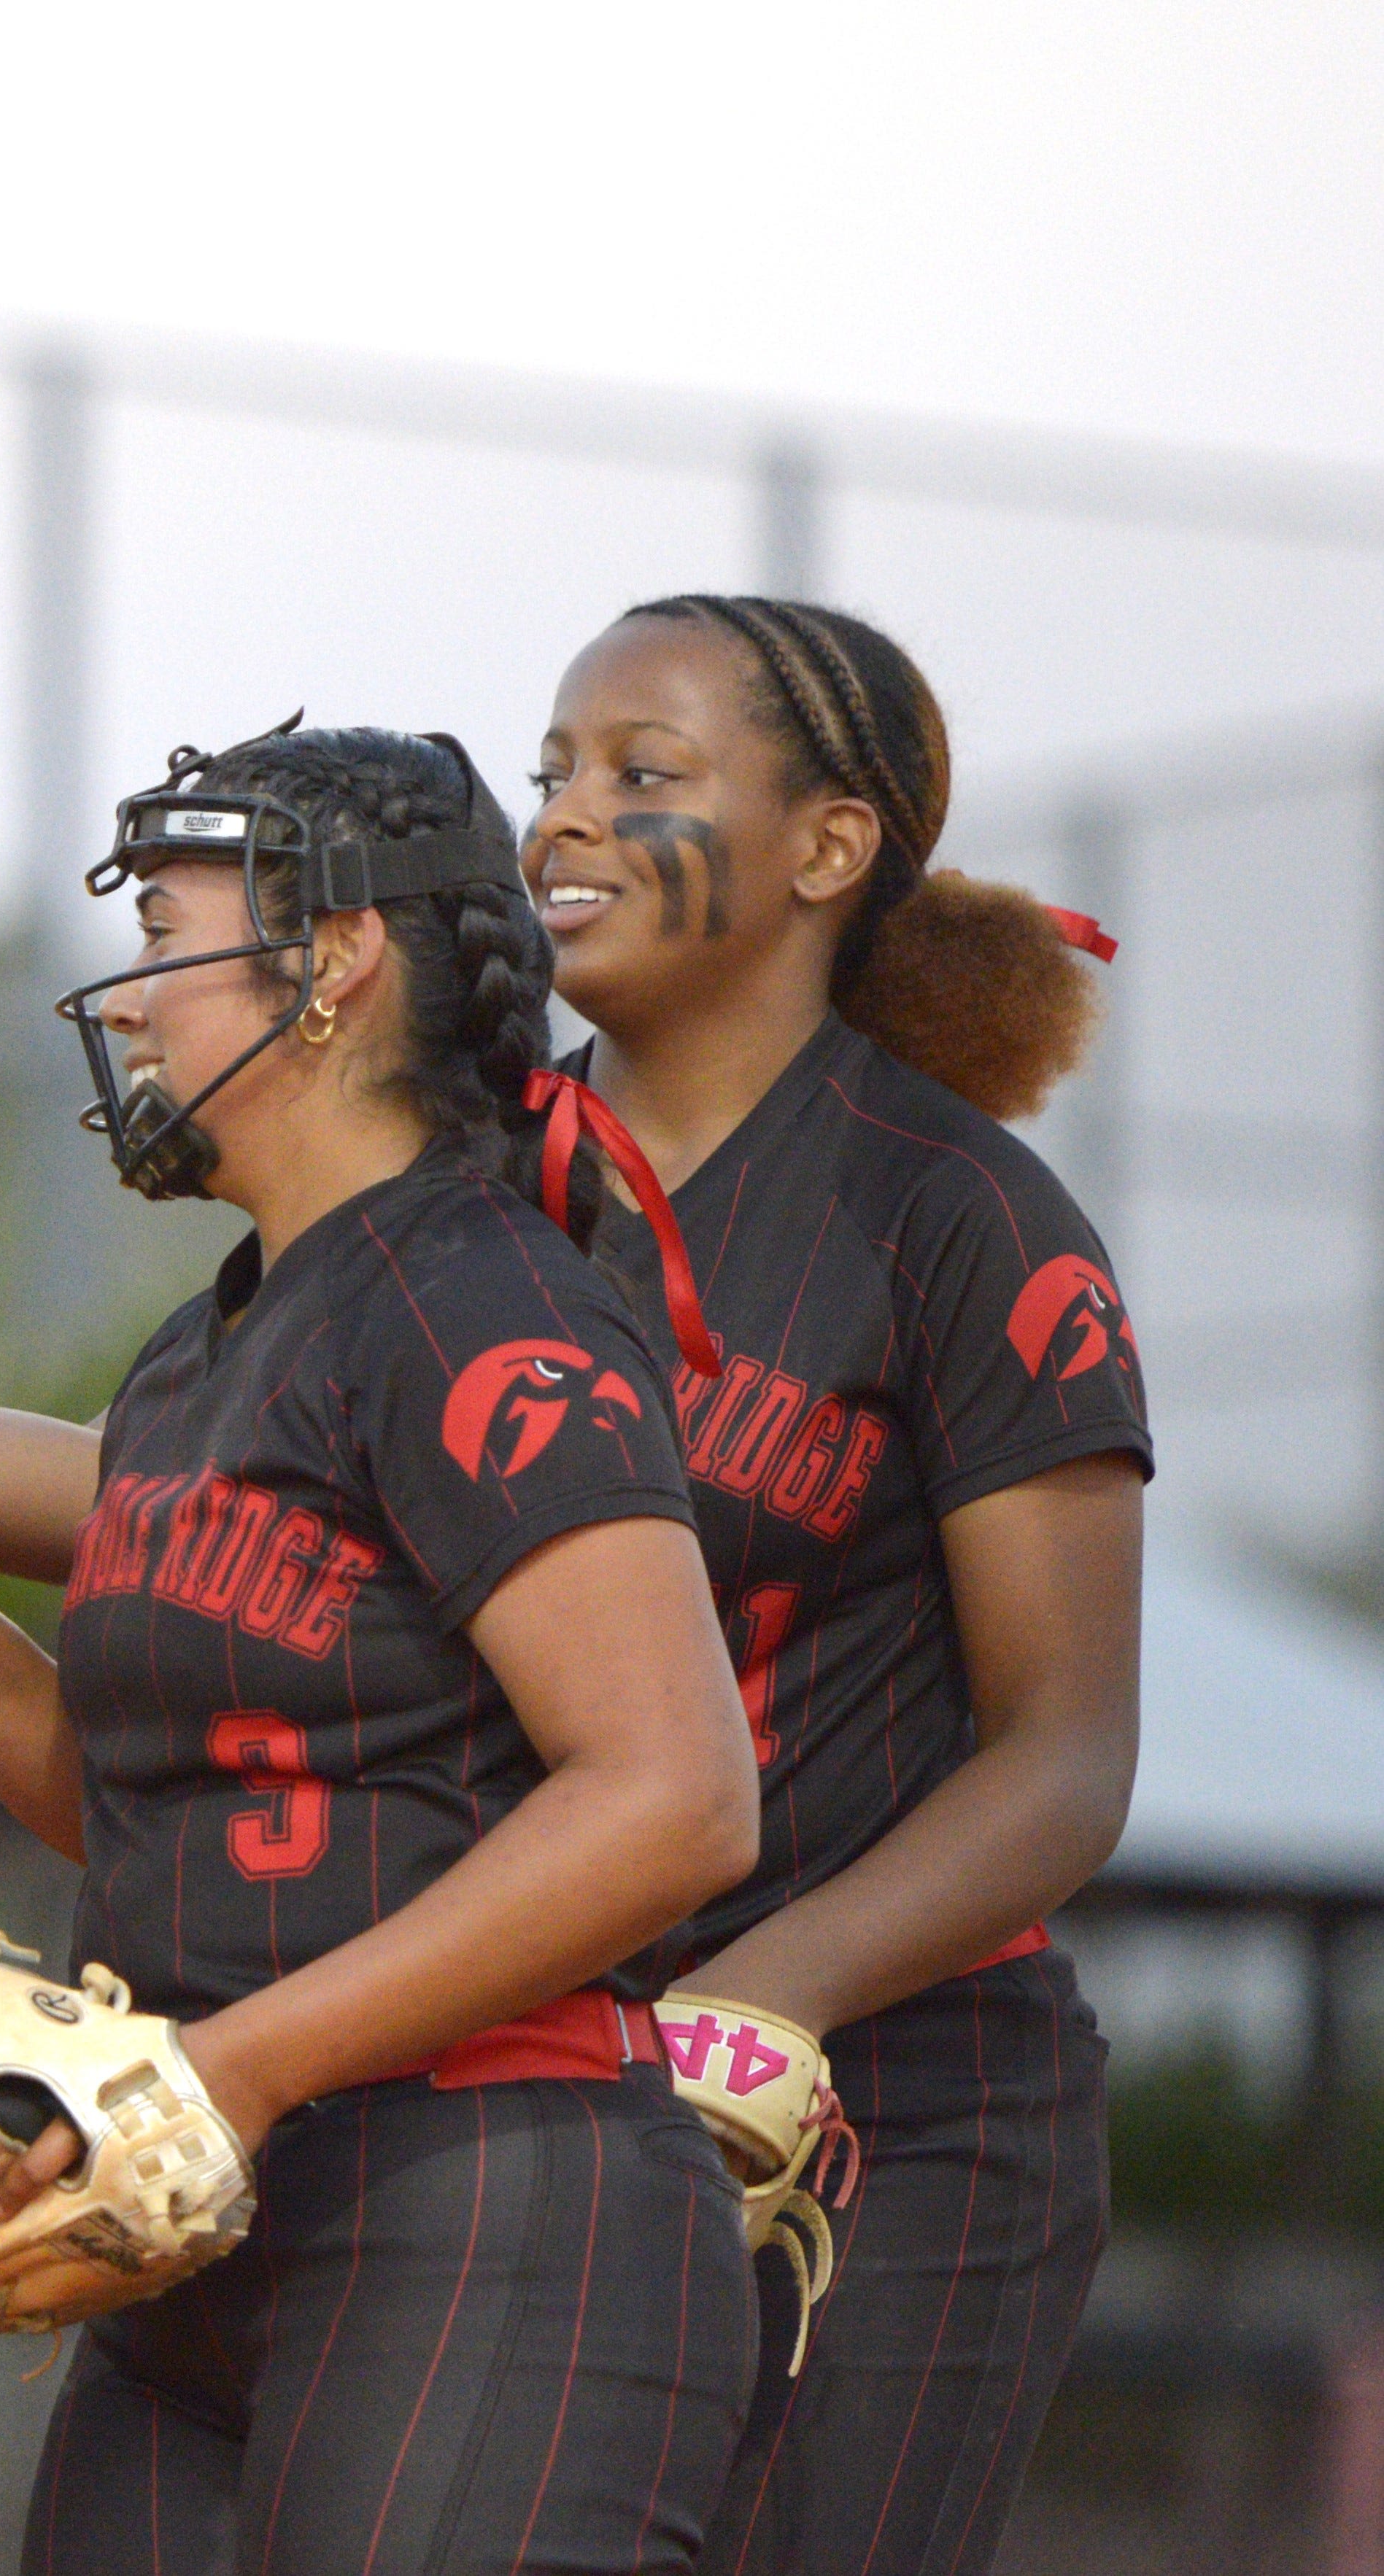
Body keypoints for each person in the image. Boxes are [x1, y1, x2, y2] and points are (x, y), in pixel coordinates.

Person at [0, 723, 765, 2575]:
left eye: (166, 928)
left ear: (332, 963)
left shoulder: (481, 1297)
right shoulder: (206, 1346)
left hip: (488, 2207)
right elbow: (189, 1812)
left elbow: (680, 1794)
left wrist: (239, 2066)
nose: (134, 998)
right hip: (211, 2213)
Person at [525, 595, 1143, 2575]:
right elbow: (235, 1507)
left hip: (895, 2109)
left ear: (823, 847)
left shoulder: (956, 1213)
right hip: (540, 2081)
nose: (560, 819)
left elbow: (1061, 1757)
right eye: (548, 772)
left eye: (641, 774)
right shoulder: (466, 1192)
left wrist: (734, 2003)